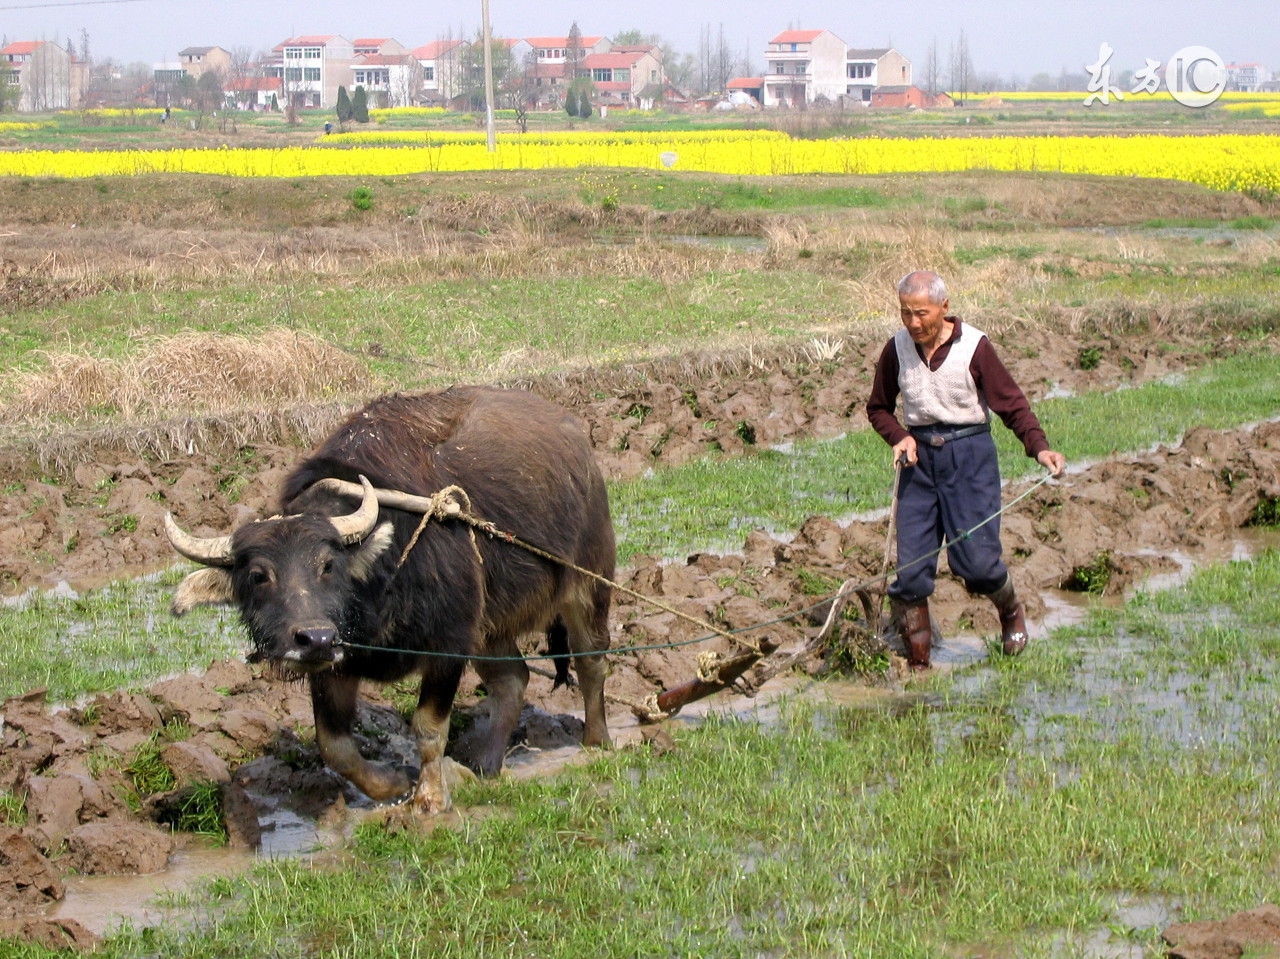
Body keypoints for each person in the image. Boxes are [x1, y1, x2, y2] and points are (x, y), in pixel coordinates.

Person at [866, 271, 1066, 670]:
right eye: (905, 313)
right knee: (911, 572)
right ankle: (920, 664)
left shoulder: (975, 347)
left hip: (969, 459)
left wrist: (1039, 448)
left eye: (921, 313)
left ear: (944, 307)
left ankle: (1010, 612)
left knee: (975, 565)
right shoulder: (897, 350)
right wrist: (899, 437)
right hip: (919, 463)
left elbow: (1012, 405)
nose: (913, 323)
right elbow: (878, 408)